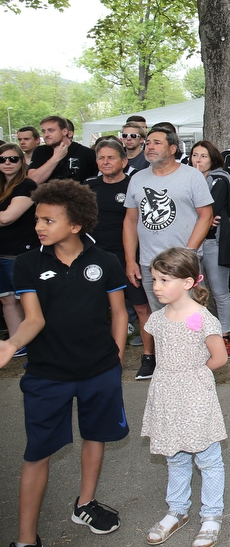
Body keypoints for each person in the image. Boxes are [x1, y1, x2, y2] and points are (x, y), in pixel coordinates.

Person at [0, 179, 128, 545]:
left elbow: (118, 314)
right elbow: (34, 319)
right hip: (47, 375)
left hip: (99, 372)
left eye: (48, 220)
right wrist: (12, 345)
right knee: (37, 453)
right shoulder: (27, 264)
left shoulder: (105, 261)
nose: (39, 226)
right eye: (38, 219)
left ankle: (85, 503)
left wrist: (115, 358)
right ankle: (26, 539)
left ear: (75, 225)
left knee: (96, 436)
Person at [141, 247, 228, 547]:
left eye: (164, 280)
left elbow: (218, 358)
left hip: (195, 394)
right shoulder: (157, 318)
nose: (156, 287)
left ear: (188, 283)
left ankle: (212, 515)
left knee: (207, 457)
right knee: (174, 455)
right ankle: (177, 510)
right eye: (154, 280)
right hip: (166, 394)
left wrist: (191, 375)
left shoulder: (202, 319)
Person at [124, 124, 214, 381]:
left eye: (156, 142)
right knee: (160, 316)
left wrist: (189, 253)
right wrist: (131, 260)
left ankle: (199, 366)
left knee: (193, 314)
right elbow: (130, 221)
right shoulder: (138, 179)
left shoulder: (191, 176)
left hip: (183, 264)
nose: (149, 146)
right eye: (148, 142)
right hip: (149, 264)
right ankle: (167, 366)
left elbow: (205, 215)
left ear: (173, 148)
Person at [87, 138, 152, 350]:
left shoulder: (134, 185)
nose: (105, 162)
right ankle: (97, 351)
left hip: (128, 258)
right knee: (93, 308)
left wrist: (131, 259)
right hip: (95, 257)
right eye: (101, 158)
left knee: (142, 307)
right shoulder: (88, 188)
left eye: (111, 158)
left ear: (124, 162)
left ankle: (149, 355)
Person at [190, 140, 230, 356]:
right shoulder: (186, 179)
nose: (197, 160)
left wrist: (203, 218)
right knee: (195, 291)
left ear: (213, 159)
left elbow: (211, 210)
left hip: (213, 242)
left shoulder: (219, 178)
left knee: (219, 291)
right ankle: (200, 335)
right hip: (190, 243)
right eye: (194, 155)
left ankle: (224, 335)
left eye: (203, 156)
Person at [0, 143, 37, 357]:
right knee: (6, 299)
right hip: (1, 252)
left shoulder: (27, 185)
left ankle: (37, 342)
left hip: (19, 253)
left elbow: (7, 217)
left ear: (22, 161)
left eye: (13, 159)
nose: (7, 163)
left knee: (28, 299)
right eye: (3, 159)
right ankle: (17, 343)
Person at [27, 115, 97, 185]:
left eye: (51, 130)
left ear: (64, 131)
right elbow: (33, 181)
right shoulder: (40, 151)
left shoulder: (87, 153)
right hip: (46, 195)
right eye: (43, 131)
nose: (46, 135)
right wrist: (55, 158)